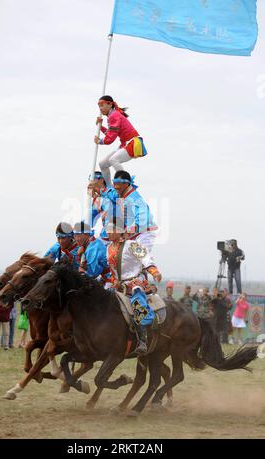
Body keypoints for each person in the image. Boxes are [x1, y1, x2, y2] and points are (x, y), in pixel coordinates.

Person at [106, 219, 162, 355]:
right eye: (108, 229)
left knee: (138, 306)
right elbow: (113, 270)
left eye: (112, 229)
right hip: (119, 284)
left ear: (120, 231)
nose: (108, 232)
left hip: (135, 282)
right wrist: (115, 281)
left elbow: (145, 258)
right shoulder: (108, 248)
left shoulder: (132, 245)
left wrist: (154, 272)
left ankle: (143, 341)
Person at [97, 170, 158, 255]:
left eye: (118, 183)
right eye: (114, 183)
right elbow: (111, 194)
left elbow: (144, 218)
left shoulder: (135, 199)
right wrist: (100, 190)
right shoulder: (121, 195)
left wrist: (128, 232)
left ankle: (150, 268)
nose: (115, 186)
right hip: (132, 234)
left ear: (126, 184)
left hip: (143, 234)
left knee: (140, 257)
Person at [95, 95, 148, 187]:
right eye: (99, 106)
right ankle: (109, 188)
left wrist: (100, 141)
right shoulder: (112, 116)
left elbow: (110, 139)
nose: (100, 108)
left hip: (132, 142)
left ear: (110, 104)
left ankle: (125, 183)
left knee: (113, 160)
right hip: (125, 144)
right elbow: (111, 132)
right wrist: (100, 127)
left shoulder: (114, 115)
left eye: (102, 105)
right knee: (102, 164)